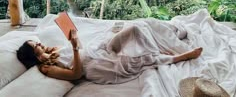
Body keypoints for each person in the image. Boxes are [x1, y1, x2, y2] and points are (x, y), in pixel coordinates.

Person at [17, 26, 203, 84]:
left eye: (38, 42)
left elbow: (80, 47)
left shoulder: (54, 49)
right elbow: (76, 74)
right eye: (37, 47)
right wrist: (73, 48)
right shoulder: (46, 68)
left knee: (134, 31)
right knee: (133, 60)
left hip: (95, 50)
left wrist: (75, 38)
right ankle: (179, 57)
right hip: (93, 67)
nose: (41, 44)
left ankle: (156, 50)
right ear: (34, 56)